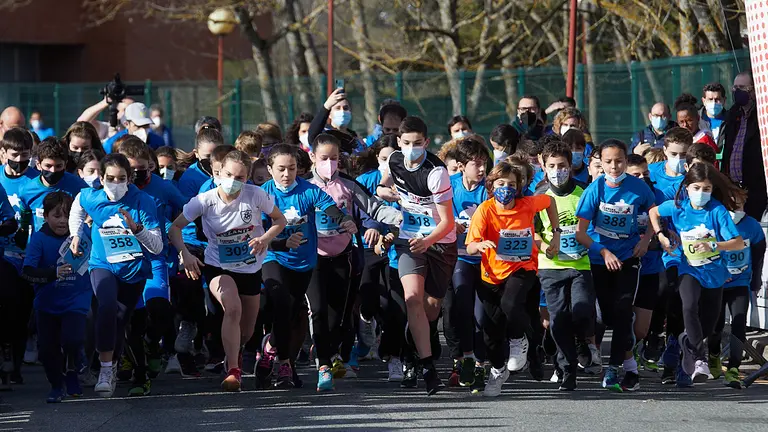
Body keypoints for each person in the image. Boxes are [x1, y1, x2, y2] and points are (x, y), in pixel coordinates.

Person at [170, 150, 286, 392]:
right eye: (229, 174)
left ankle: (237, 351)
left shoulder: (255, 195)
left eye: (241, 177)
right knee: (232, 308)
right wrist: (186, 254)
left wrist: (264, 238)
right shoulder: (205, 200)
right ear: (219, 173)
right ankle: (234, 370)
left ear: (248, 178)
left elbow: (279, 220)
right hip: (217, 266)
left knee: (247, 331)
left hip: (250, 267)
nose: (234, 181)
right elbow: (175, 229)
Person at [306, 133, 401, 383]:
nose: (329, 163)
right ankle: (323, 363)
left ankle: (332, 351)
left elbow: (373, 207)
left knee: (338, 313)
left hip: (342, 256)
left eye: (334, 158)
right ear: (313, 157)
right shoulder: (305, 185)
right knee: (317, 309)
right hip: (313, 257)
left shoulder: (348, 185)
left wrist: (401, 218)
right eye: (324, 158)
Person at [68, 153, 163, 398]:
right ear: (101, 178)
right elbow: (77, 207)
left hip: (133, 270)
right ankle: (105, 371)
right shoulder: (92, 196)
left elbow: (157, 247)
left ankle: (118, 363)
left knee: (120, 321)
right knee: (106, 306)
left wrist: (136, 229)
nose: (115, 183)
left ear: (130, 178)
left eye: (121, 178)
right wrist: (76, 234)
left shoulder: (143, 201)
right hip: (102, 264)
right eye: (110, 178)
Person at [376, 116, 457, 395]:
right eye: (407, 143)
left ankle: (426, 337)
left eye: (418, 143)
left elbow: (447, 222)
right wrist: (386, 193)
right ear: (399, 142)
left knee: (431, 307)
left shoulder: (436, 172)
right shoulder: (395, 160)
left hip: (439, 243)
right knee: (412, 298)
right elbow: (382, 185)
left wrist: (429, 240)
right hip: (408, 239)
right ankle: (426, 366)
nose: (412, 148)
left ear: (426, 141)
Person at [260, 144, 351, 391]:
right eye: (280, 169)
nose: (287, 174)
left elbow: (329, 207)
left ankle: (321, 364)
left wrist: (344, 219)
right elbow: (258, 235)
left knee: (316, 311)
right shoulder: (262, 195)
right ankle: (284, 364)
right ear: (270, 169)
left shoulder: (308, 190)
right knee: (281, 304)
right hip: (274, 257)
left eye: (291, 169)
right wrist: (281, 242)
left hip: (305, 262)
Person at [465, 161, 560, 397]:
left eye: (511, 184)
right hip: (491, 276)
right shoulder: (485, 210)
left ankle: (519, 340)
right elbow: (469, 247)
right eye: (501, 183)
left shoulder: (527, 204)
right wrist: (480, 245)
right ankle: (497, 371)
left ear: (518, 187)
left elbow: (550, 202)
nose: (506, 188)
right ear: (491, 185)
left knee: (511, 303)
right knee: (491, 332)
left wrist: (555, 234)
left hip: (522, 266)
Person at [650, 162, 745, 383]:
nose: (701, 194)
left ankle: (686, 341)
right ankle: (700, 359)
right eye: (696, 188)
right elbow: (653, 212)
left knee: (709, 325)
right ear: (687, 187)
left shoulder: (717, 211)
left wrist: (715, 245)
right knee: (689, 306)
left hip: (713, 273)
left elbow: (738, 243)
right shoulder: (678, 207)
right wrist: (661, 235)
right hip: (688, 268)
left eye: (706, 189)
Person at [575, 139, 656, 392]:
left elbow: (654, 213)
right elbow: (581, 233)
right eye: (608, 162)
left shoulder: (638, 187)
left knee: (622, 312)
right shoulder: (595, 190)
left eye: (618, 161)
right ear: (600, 162)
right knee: (607, 316)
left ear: (625, 160)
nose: (614, 166)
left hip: (628, 258)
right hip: (600, 260)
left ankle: (614, 369)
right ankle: (630, 366)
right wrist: (603, 250)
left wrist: (646, 239)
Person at [117, 137, 188, 396]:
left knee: (159, 310)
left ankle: (151, 345)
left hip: (156, 258)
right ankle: (135, 364)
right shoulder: (111, 189)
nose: (137, 174)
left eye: (142, 169)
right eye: (131, 170)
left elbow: (188, 208)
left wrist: (175, 233)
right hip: (123, 260)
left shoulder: (162, 186)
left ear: (151, 165)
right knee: (128, 317)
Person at [535, 137, 599, 391]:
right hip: (551, 265)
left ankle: (583, 339)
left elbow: (594, 225)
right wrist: (545, 246)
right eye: (552, 166)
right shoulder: (539, 195)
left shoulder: (584, 193)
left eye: (562, 165)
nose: (557, 171)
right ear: (544, 167)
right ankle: (567, 367)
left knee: (583, 311)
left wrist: (588, 239)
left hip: (580, 264)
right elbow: (534, 231)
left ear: (571, 165)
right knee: (558, 318)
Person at [21, 192, 89, 402]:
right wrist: (53, 273)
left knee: (72, 340)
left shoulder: (83, 234)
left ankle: (72, 369)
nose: (62, 221)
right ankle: (56, 385)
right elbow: (27, 271)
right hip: (47, 304)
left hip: (76, 301)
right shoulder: (39, 239)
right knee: (48, 350)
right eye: (56, 216)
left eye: (67, 216)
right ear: (46, 216)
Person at [444, 136, 488, 392]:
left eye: (484, 164)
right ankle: (465, 360)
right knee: (460, 306)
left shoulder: (489, 189)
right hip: (458, 257)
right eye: (476, 164)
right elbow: (434, 214)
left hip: (485, 259)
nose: (482, 170)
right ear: (461, 165)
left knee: (482, 315)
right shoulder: (448, 187)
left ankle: (481, 363)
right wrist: (451, 223)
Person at [707, 190, 764, 388]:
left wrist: (755, 281)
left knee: (739, 322)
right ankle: (713, 355)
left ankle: (733, 367)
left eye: (739, 205)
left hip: (740, 282)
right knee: (715, 325)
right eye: (731, 205)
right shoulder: (717, 222)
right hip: (718, 281)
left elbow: (758, 255)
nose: (735, 209)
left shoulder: (752, 226)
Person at [625, 154, 666, 372]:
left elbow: (666, 223)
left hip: (651, 265)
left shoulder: (656, 195)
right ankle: (624, 359)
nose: (642, 178)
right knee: (622, 318)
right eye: (636, 174)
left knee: (640, 329)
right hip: (624, 264)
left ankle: (636, 347)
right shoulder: (620, 195)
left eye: (645, 174)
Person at [722, 72, 766, 220]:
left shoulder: (761, 115)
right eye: (734, 88)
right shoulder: (732, 115)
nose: (737, 91)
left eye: (742, 87)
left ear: (753, 90)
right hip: (734, 189)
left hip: (756, 188)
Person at [648, 127, 693, 196]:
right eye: (673, 154)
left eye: (684, 154)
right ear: (664, 150)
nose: (678, 158)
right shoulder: (649, 171)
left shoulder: (696, 177)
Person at [699, 83, 728, 150]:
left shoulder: (731, 120)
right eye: (710, 99)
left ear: (724, 100)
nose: (713, 103)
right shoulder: (696, 120)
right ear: (704, 101)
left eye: (717, 99)